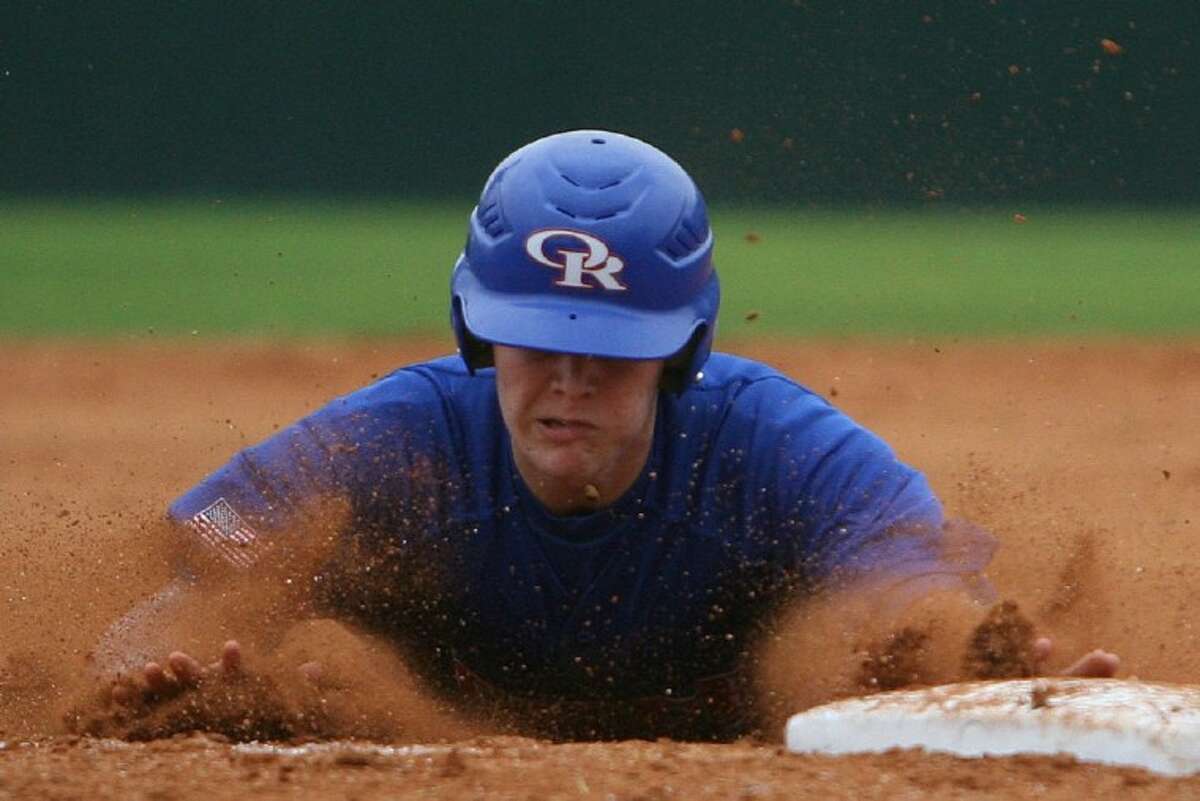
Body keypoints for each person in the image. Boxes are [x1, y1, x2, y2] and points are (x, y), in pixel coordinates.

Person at [86, 130, 1117, 742]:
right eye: (536, 338)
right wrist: (147, 661)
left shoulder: (781, 448)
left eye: (614, 349)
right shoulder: (397, 437)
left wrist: (1004, 684)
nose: (570, 377)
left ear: (685, 349)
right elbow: (195, 579)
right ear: (476, 329)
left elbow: (918, 601)